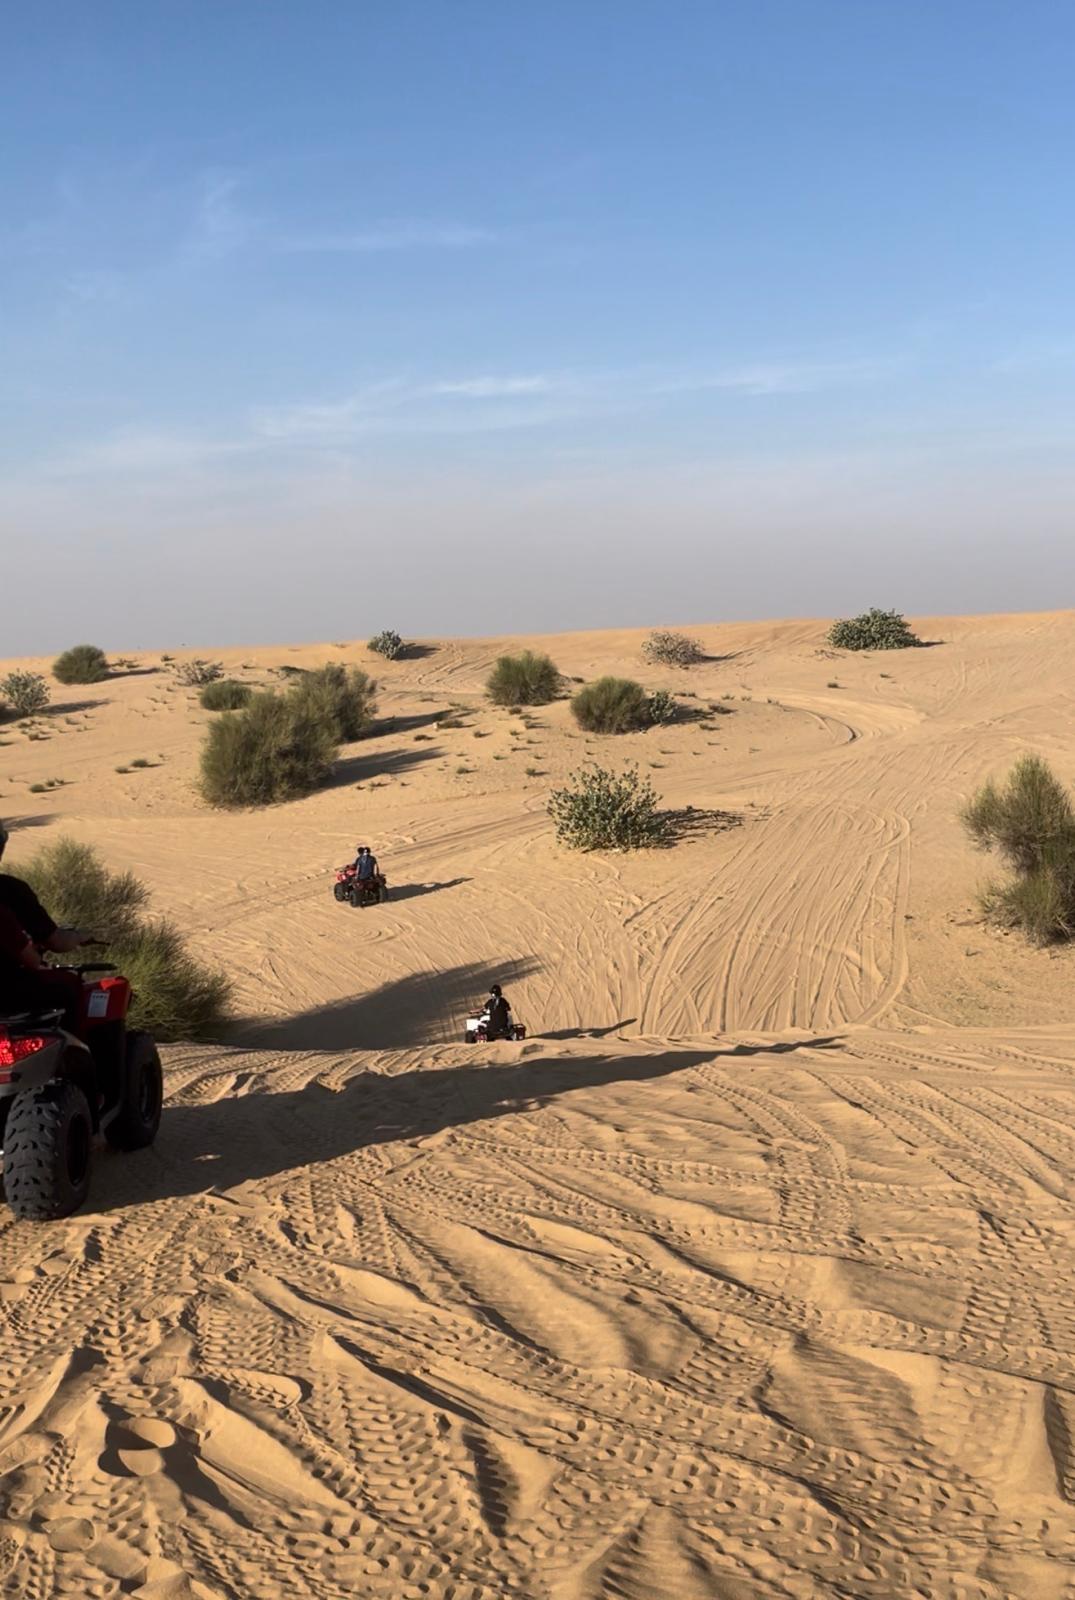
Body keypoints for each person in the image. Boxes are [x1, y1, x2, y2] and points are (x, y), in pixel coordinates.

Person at [0, 821, 94, 1030]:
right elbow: (41, 954)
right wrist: (78, 936)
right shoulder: (10, 893)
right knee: (70, 986)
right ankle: (75, 1056)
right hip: (8, 990)